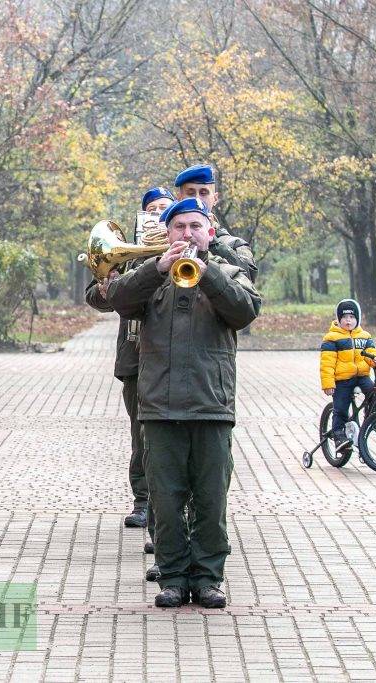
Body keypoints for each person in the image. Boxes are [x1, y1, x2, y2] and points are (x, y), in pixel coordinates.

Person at [108, 197, 261, 609]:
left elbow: (245, 310)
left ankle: (208, 578)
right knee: (166, 502)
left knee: (211, 501)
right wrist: (156, 268)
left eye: (196, 226)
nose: (187, 233)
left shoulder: (229, 270)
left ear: (209, 232)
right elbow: (114, 297)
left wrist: (209, 275)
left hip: (211, 407)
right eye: (179, 227)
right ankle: (173, 578)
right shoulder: (150, 275)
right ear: (167, 233)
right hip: (159, 410)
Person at [85, 187, 171, 584]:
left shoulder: (178, 247)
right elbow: (97, 297)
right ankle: (143, 500)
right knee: (141, 434)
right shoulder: (126, 250)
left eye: (162, 210)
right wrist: (111, 283)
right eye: (151, 210)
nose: (156, 216)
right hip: (136, 357)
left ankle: (165, 513)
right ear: (141, 216)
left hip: (169, 355)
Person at [320, 299, 376, 454]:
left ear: (358, 319)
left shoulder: (364, 336)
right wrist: (328, 383)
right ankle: (338, 435)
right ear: (338, 319)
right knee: (341, 408)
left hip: (362, 375)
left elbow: (371, 354)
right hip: (343, 379)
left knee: (374, 393)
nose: (348, 320)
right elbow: (327, 363)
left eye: (352, 317)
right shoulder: (332, 338)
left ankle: (370, 418)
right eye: (344, 317)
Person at [174, 164, 258, 283]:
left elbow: (250, 275)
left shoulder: (235, 244)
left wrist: (212, 241)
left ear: (215, 198)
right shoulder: (168, 236)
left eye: (203, 193)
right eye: (191, 193)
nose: (197, 199)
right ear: (179, 198)